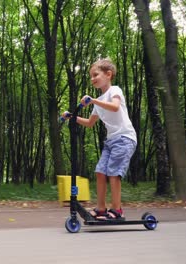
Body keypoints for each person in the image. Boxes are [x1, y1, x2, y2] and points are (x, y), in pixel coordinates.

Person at [61, 58, 137, 220]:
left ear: (108, 74)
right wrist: (72, 117)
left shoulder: (114, 91)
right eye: (91, 76)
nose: (92, 78)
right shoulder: (98, 103)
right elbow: (89, 123)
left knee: (114, 174)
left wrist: (93, 100)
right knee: (100, 172)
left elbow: (115, 106)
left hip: (125, 138)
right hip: (111, 141)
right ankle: (101, 209)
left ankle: (117, 211)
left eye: (95, 75)